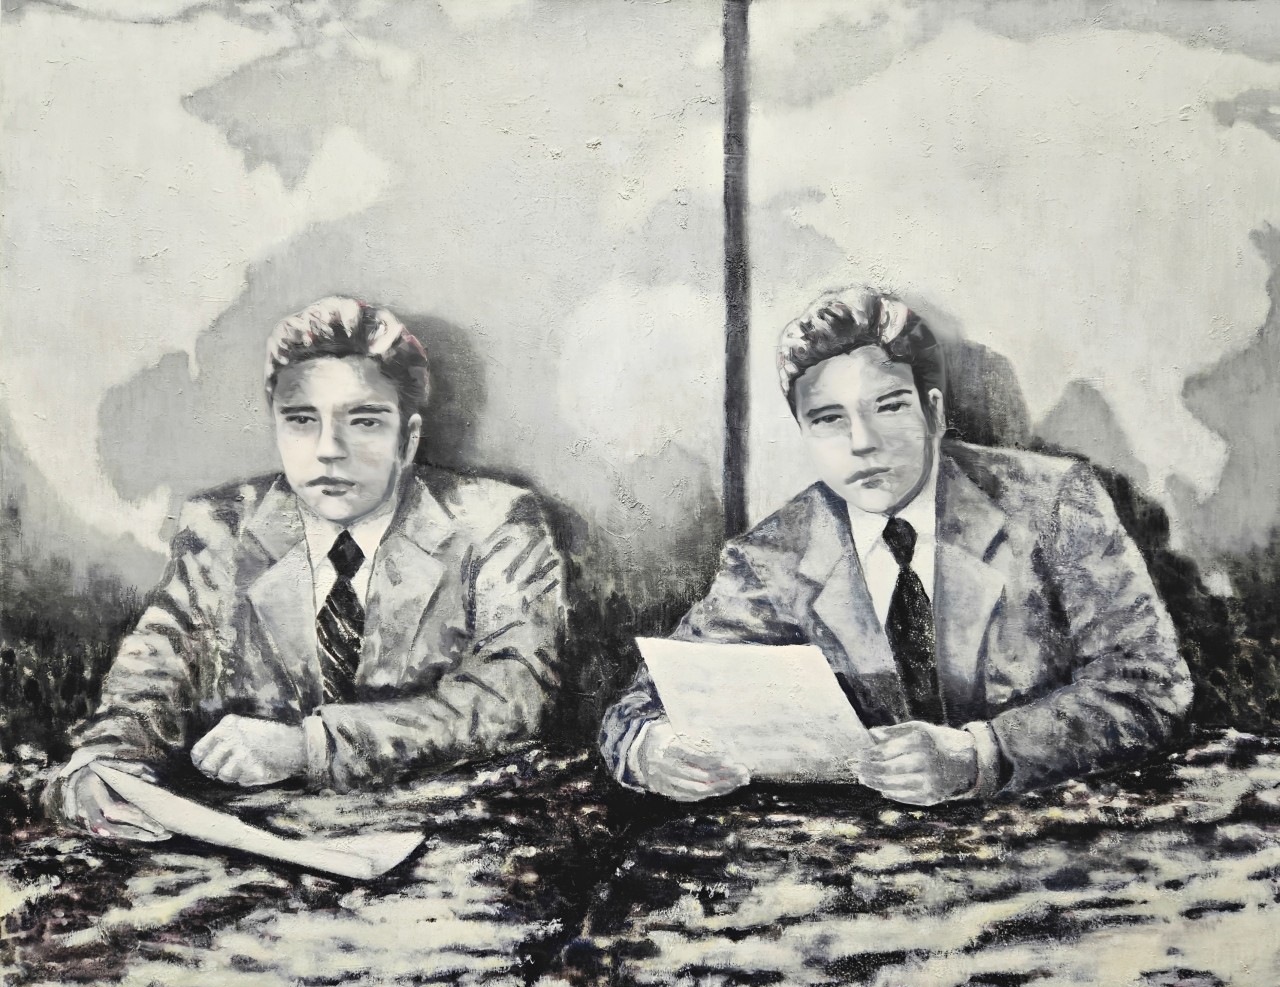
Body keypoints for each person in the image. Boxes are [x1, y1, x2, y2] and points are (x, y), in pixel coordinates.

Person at [600, 288, 1192, 805]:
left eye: (888, 407)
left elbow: (1148, 684)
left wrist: (980, 755)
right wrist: (655, 750)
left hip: (1047, 832)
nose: (862, 442)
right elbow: (642, 706)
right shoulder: (771, 556)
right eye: (828, 420)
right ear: (805, 433)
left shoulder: (1053, 503)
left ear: (933, 412)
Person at [49, 296, 567, 841]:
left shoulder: (495, 523)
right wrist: (102, 768)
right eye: (301, 421)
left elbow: (513, 693)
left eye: (364, 421)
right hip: (261, 847)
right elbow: (147, 681)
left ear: (408, 438)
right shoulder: (222, 531)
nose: (328, 450)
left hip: (447, 835)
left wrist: (310, 746)